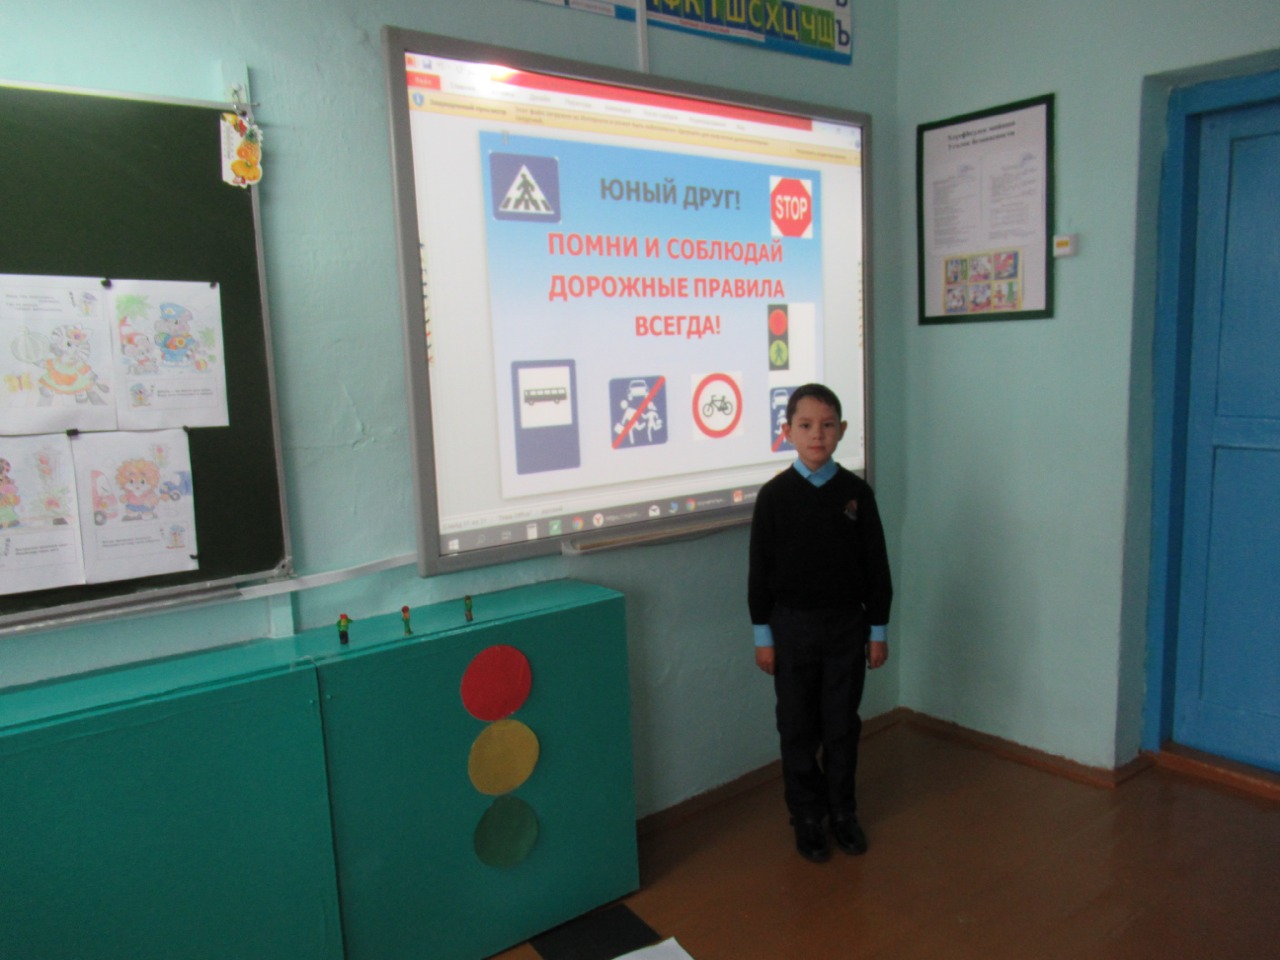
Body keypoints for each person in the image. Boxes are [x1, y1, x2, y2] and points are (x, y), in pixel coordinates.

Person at [748, 383, 892, 863]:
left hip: (846, 630)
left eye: (828, 425)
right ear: (787, 431)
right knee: (796, 728)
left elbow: (877, 569)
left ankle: (842, 812)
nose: (817, 434)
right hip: (791, 631)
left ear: (842, 431)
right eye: (806, 425)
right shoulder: (774, 497)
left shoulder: (856, 494)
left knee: (841, 726)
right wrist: (763, 636)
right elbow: (759, 574)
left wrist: (877, 631)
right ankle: (807, 817)